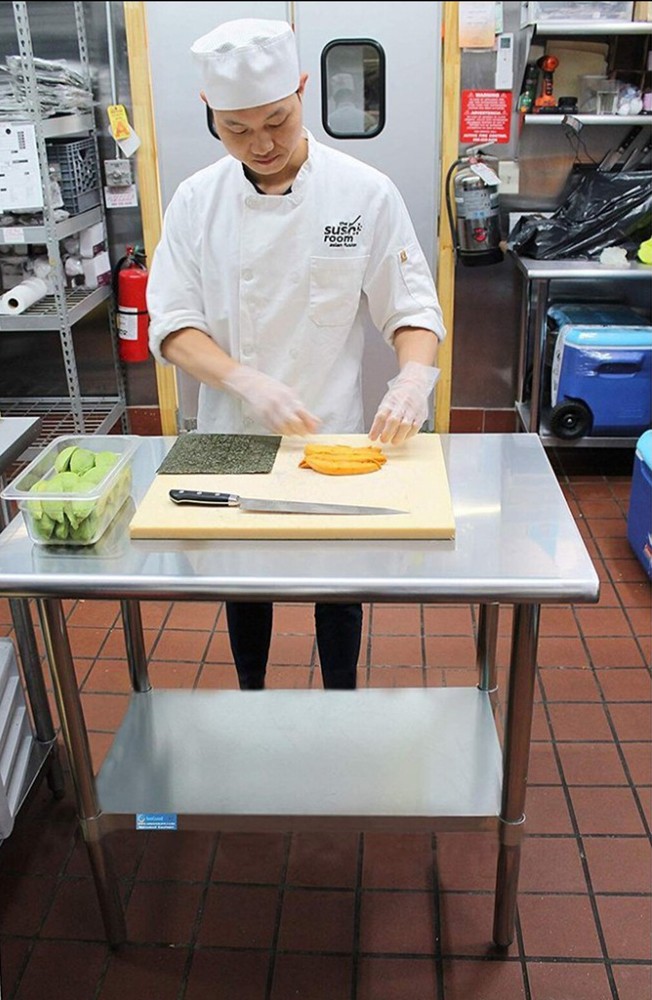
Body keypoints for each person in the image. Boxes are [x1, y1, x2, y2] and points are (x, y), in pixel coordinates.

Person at [147, 18, 446, 691]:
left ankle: (340, 696)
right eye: (238, 130)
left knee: (337, 582)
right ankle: (252, 695)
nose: (263, 144)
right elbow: (172, 324)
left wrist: (412, 379)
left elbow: (412, 308)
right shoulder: (198, 202)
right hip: (229, 431)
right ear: (211, 117)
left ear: (303, 91)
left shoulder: (362, 192)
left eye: (277, 122)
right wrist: (243, 378)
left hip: (329, 427)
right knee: (242, 582)